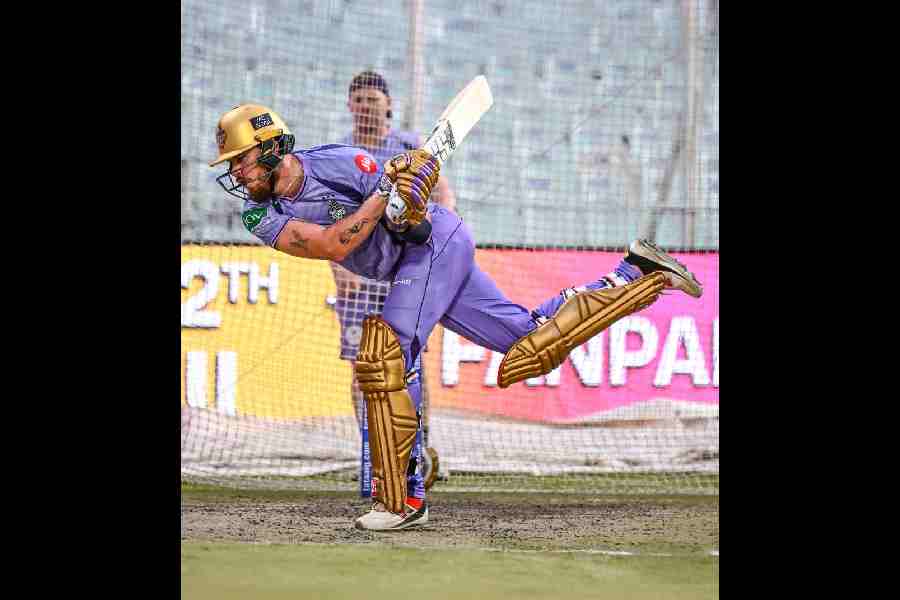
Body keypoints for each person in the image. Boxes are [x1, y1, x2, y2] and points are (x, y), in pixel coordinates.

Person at [210, 103, 703, 531]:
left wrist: (407, 204)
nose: (237, 174)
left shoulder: (338, 161)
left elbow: (413, 223)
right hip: (416, 262)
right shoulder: (260, 214)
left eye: (241, 161)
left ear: (272, 147)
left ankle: (402, 498)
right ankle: (636, 272)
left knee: (388, 350)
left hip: (431, 246)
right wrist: (388, 196)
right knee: (528, 340)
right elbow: (331, 244)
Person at [332, 72, 455, 447]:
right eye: (360, 99)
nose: (367, 106)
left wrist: (436, 242)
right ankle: (371, 449)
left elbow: (444, 196)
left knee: (410, 362)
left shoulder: (410, 146)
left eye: (374, 99)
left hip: (406, 274)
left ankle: (422, 446)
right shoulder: (341, 156)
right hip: (360, 276)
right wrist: (338, 265)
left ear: (388, 105)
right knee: (363, 367)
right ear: (350, 106)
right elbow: (330, 219)